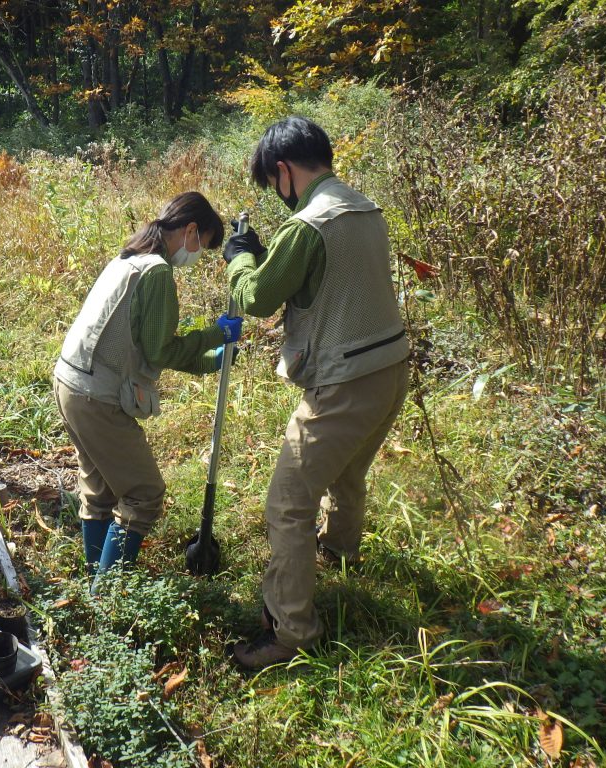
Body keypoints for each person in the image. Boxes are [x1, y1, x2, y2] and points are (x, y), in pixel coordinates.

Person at [222, 116, 410, 670]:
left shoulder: (307, 226)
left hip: (344, 382)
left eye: (272, 183)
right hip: (390, 369)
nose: (276, 196)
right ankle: (338, 551)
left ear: (283, 171)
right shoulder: (364, 206)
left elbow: (255, 298)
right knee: (348, 471)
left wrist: (239, 257)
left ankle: (292, 632)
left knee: (288, 503)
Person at [53, 192, 241, 588]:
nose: (198, 255)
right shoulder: (157, 272)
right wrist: (214, 335)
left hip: (69, 384)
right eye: (203, 246)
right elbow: (162, 349)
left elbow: (147, 347)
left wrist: (211, 360)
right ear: (190, 230)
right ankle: (109, 599)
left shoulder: (129, 258)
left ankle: (95, 589)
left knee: (100, 492)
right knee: (144, 494)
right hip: (95, 397)